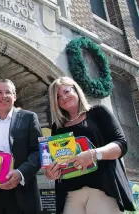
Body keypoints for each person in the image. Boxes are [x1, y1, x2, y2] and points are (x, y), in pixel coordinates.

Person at [46, 77, 136, 214]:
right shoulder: (57, 128)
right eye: (58, 97)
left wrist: (93, 154)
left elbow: (121, 145)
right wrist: (52, 172)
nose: (63, 97)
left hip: (102, 189)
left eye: (66, 91)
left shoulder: (98, 112)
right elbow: (57, 162)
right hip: (71, 194)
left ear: (76, 90)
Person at [0, 79, 42, 214]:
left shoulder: (29, 118)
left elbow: (38, 151)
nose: (4, 96)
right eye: (0, 92)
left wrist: (20, 173)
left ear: (14, 96)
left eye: (8, 92)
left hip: (23, 194)